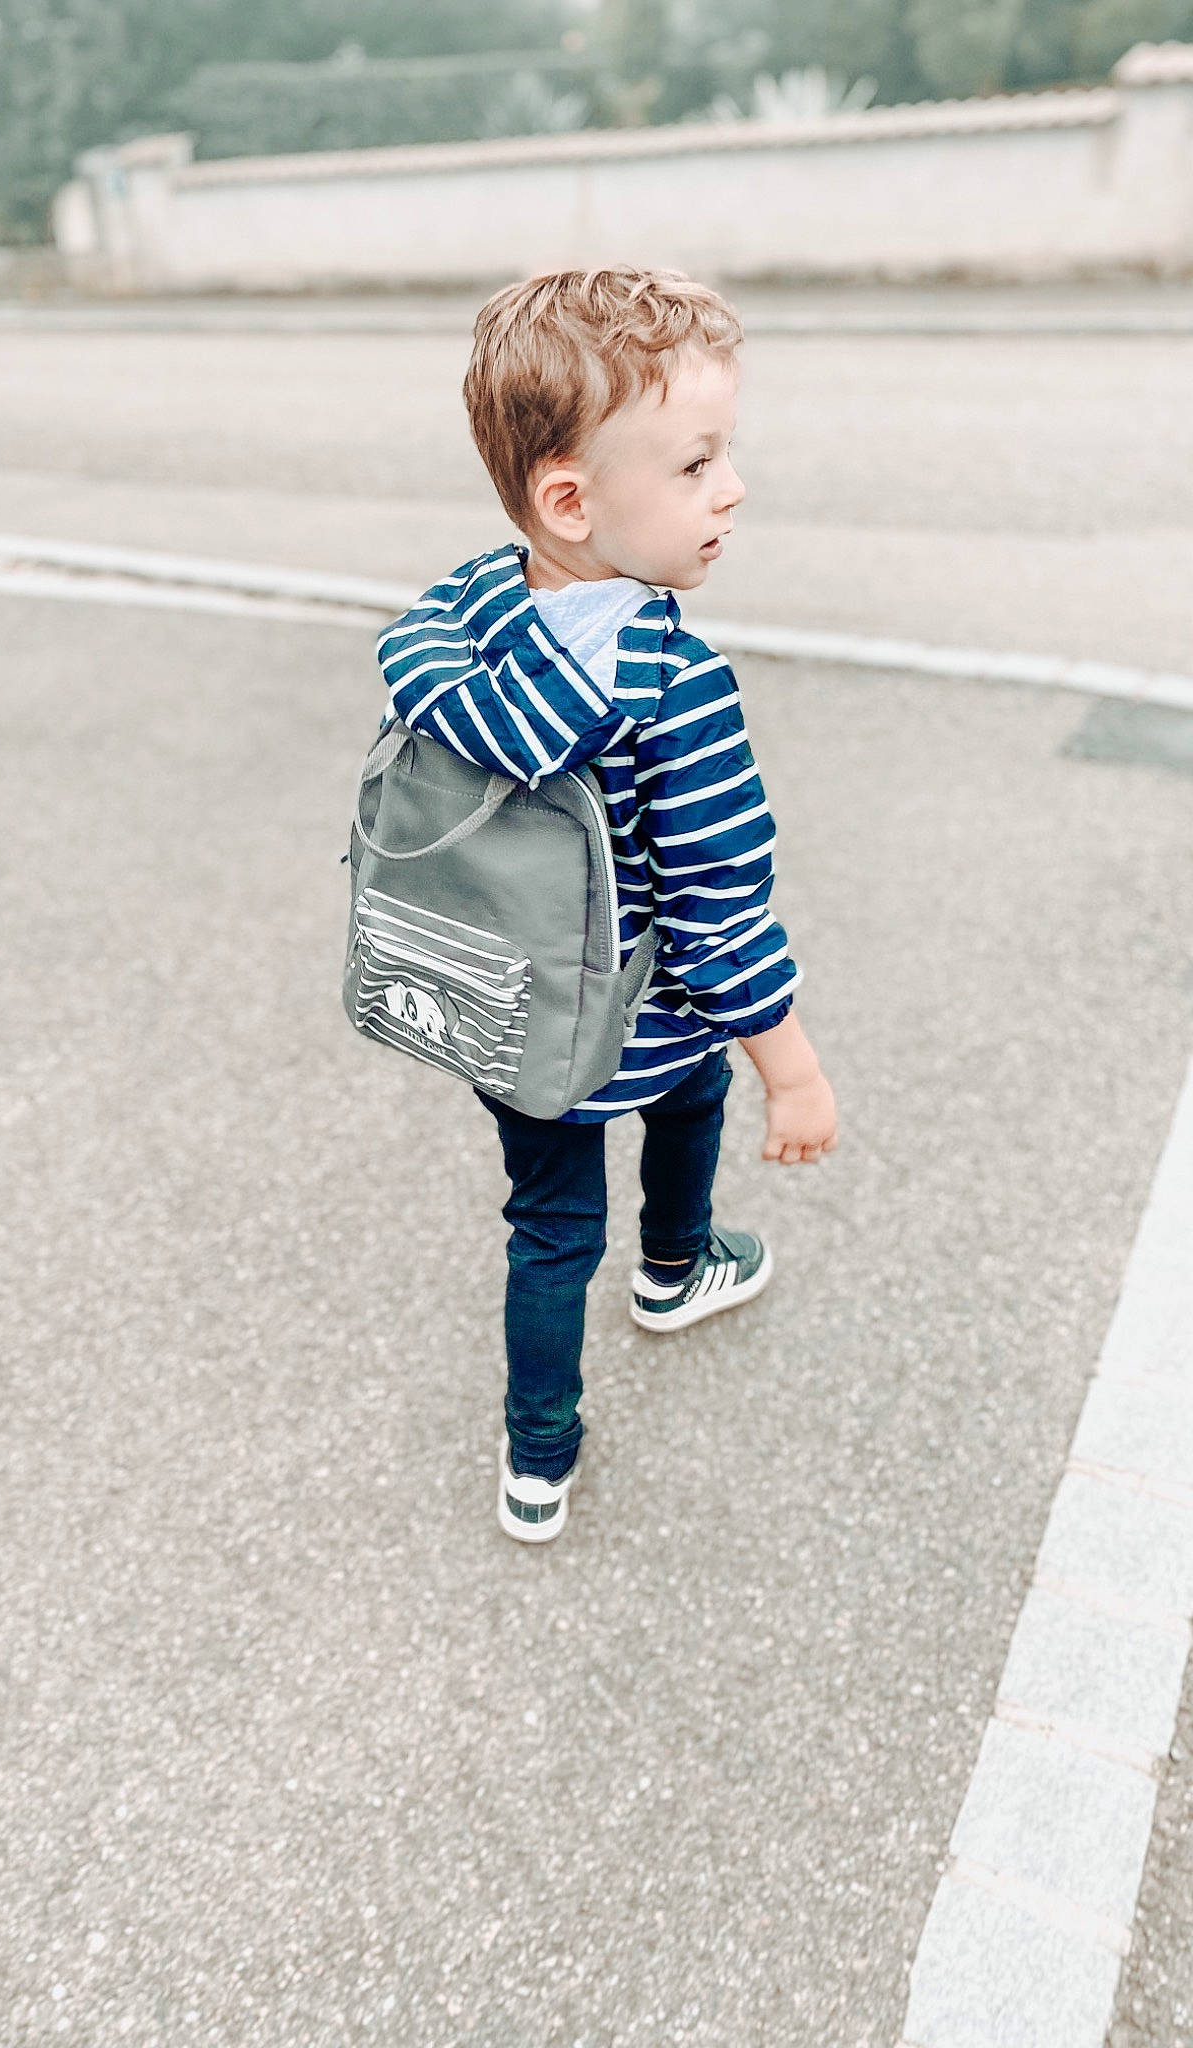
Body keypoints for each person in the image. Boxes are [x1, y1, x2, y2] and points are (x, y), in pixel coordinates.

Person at [375, 267, 838, 1543]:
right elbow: (719, 910)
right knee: (692, 1093)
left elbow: (402, 647)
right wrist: (793, 1069)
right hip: (649, 1016)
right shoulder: (678, 686)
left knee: (546, 1229)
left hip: (509, 1011)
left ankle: (538, 1455)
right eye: (696, 463)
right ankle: (675, 1268)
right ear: (571, 499)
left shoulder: (476, 606)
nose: (732, 486)